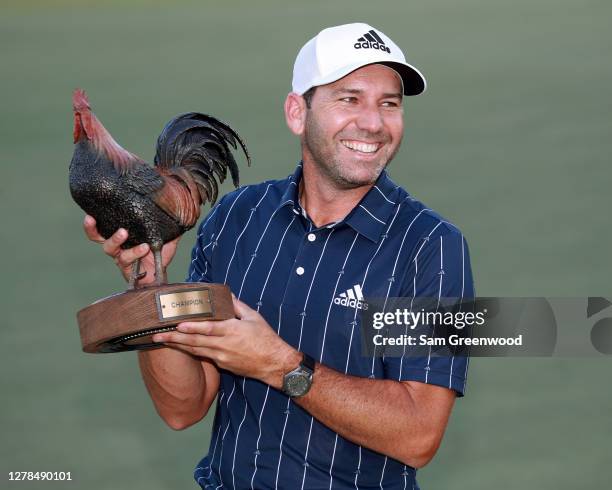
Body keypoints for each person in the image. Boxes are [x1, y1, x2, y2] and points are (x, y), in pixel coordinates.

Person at [84, 22, 474, 490]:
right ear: (297, 112)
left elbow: (418, 435)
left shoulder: (431, 246)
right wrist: (151, 288)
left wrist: (280, 364)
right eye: (349, 99)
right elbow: (182, 408)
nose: (373, 122)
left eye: (388, 103)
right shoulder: (235, 218)